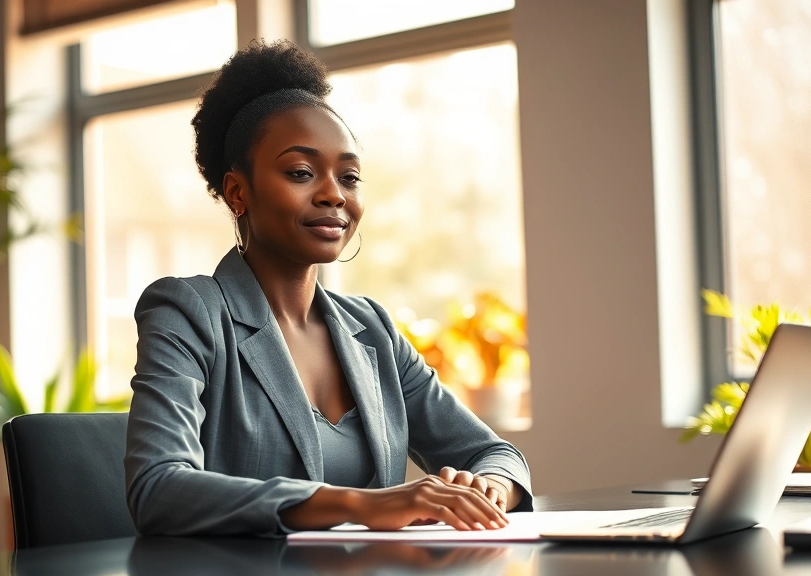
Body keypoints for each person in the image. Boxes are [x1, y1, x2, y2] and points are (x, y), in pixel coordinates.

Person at [124, 39, 533, 537]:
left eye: (350, 176)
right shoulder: (188, 312)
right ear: (238, 192)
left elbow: (494, 453)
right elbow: (159, 488)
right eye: (301, 172)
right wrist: (362, 505)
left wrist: (488, 486)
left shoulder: (372, 329)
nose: (334, 194)